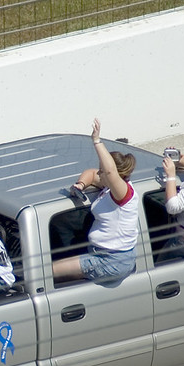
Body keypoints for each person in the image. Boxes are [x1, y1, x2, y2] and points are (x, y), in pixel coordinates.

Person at [52, 119, 138, 284]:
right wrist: (80, 185)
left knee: (48, 273)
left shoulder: (124, 193)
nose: (99, 173)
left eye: (102, 170)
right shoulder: (109, 187)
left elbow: (110, 170)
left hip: (112, 260)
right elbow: (91, 173)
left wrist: (97, 141)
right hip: (100, 253)